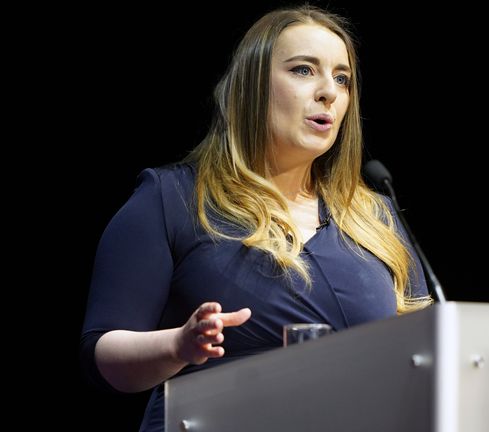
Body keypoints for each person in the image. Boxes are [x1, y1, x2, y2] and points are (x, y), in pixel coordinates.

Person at [80, 5, 433, 431]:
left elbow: (425, 353)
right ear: (251, 86)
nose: (329, 92)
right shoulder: (172, 198)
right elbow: (105, 355)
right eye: (304, 70)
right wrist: (179, 344)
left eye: (342, 79)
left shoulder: (376, 217)